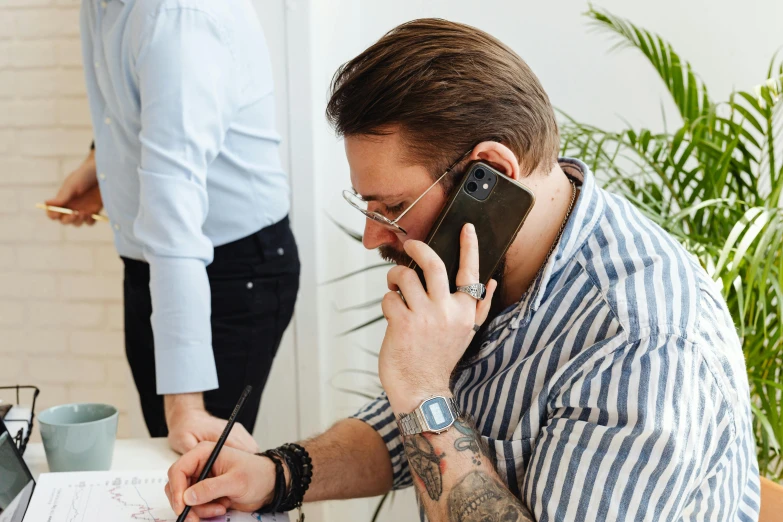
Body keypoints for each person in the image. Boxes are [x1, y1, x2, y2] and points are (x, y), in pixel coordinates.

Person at [165, 18, 760, 522]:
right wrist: (277, 473)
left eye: (392, 208)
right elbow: (423, 431)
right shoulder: (493, 255)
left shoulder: (642, 346)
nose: (374, 237)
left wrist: (423, 388)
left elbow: (430, 411)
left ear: (490, 173)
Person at [46, 0, 300, 454]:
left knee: (201, 462)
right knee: (164, 451)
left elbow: (174, 217)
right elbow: (138, 102)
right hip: (152, 259)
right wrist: (98, 164)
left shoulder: (181, 18)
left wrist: (185, 401)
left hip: (232, 268)